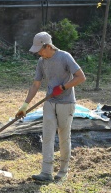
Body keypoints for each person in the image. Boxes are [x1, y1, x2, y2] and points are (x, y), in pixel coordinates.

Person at [16, 32, 86, 182]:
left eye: (40, 50)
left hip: (66, 103)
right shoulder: (41, 61)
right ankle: (46, 172)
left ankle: (63, 171)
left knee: (63, 136)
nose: (38, 53)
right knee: (47, 136)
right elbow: (36, 84)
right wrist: (25, 104)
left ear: (48, 46)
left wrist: (63, 87)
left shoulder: (65, 57)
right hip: (49, 102)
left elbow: (81, 77)